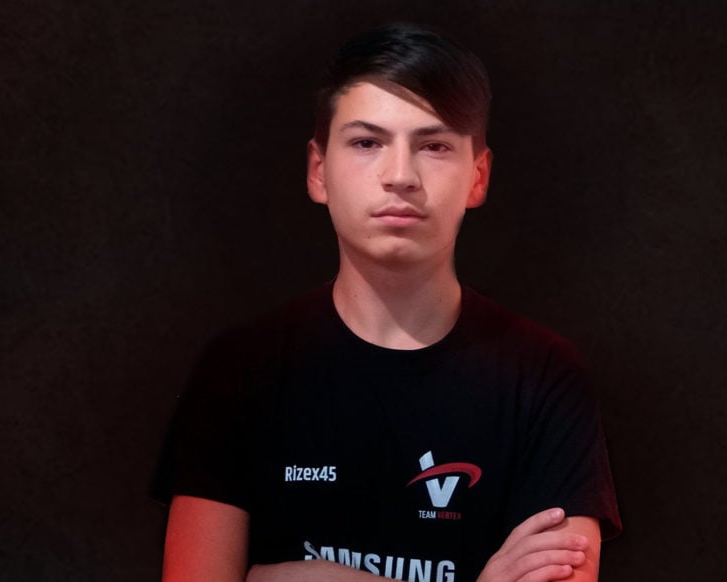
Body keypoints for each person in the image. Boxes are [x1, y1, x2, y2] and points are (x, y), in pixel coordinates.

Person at [154, 22, 621, 582]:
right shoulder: (239, 372)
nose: (400, 176)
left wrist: (300, 578)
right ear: (319, 171)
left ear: (478, 177)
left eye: (434, 146)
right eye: (367, 142)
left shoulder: (543, 377)